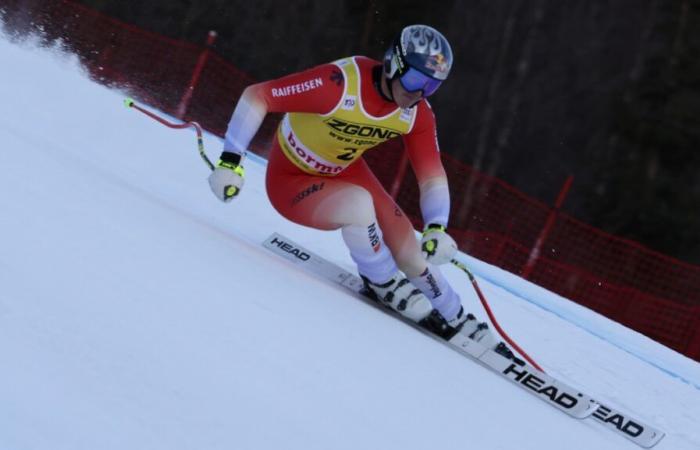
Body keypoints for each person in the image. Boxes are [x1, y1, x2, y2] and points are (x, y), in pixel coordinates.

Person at [208, 24, 518, 360]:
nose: (419, 93)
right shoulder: (339, 85)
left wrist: (437, 227)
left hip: (344, 171)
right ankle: (381, 280)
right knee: (359, 205)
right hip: (292, 180)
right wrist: (230, 162)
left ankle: (455, 314)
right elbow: (259, 95)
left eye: (432, 86)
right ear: (393, 63)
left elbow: (431, 176)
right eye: (416, 80)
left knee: (411, 248)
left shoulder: (415, 113)